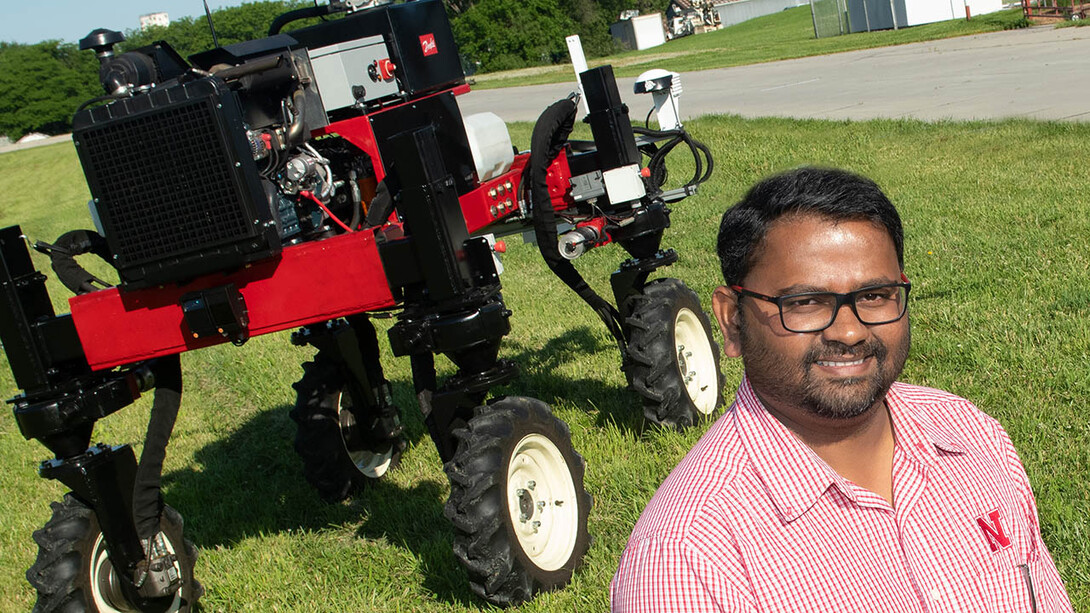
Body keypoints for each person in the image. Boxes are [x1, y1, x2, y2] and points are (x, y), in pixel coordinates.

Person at [610, 167, 1073, 612]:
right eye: (806, 302)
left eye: (874, 296)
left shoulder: (968, 435)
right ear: (733, 320)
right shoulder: (690, 559)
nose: (849, 332)